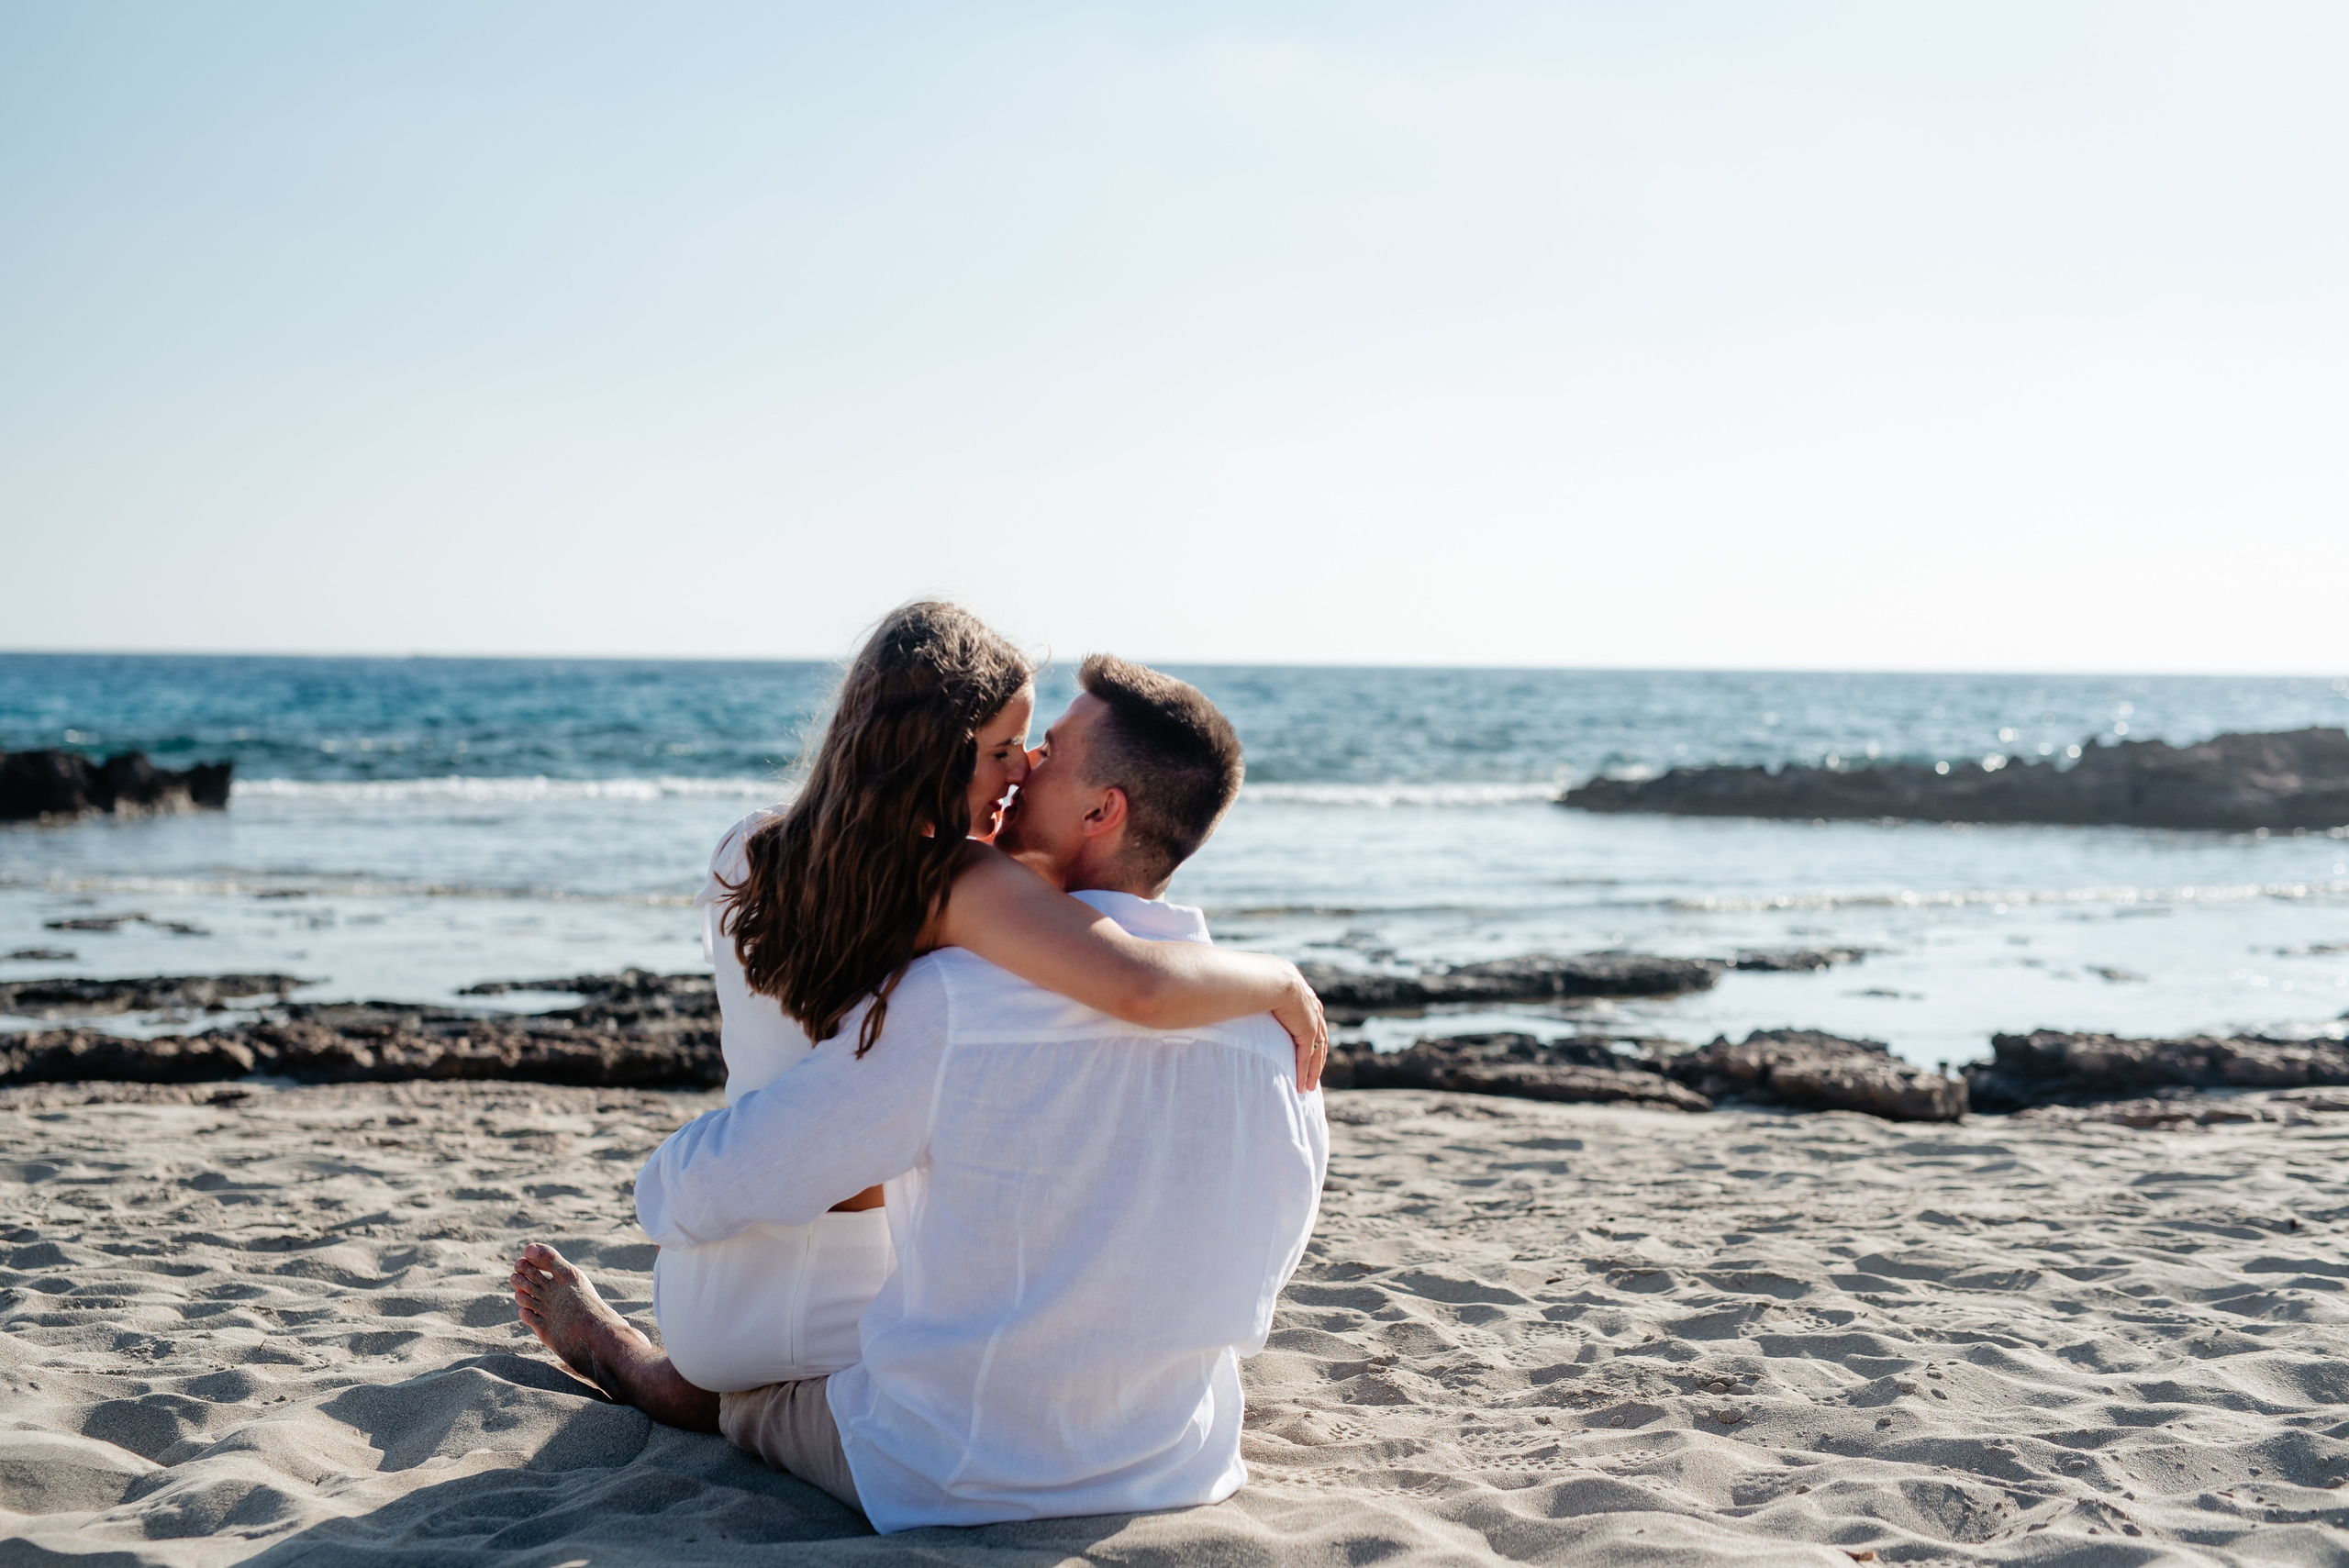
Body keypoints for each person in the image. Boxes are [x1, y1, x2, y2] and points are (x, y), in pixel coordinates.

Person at [512, 652, 1327, 1530]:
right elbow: (1260, 1273)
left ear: (1103, 810)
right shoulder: (1281, 1040)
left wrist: (660, 1186)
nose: (1021, 769)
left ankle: (629, 1361)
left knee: (746, 1399)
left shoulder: (956, 1005)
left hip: (954, 1468)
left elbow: (749, 1170)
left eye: (1046, 750)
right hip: (1176, 1457)